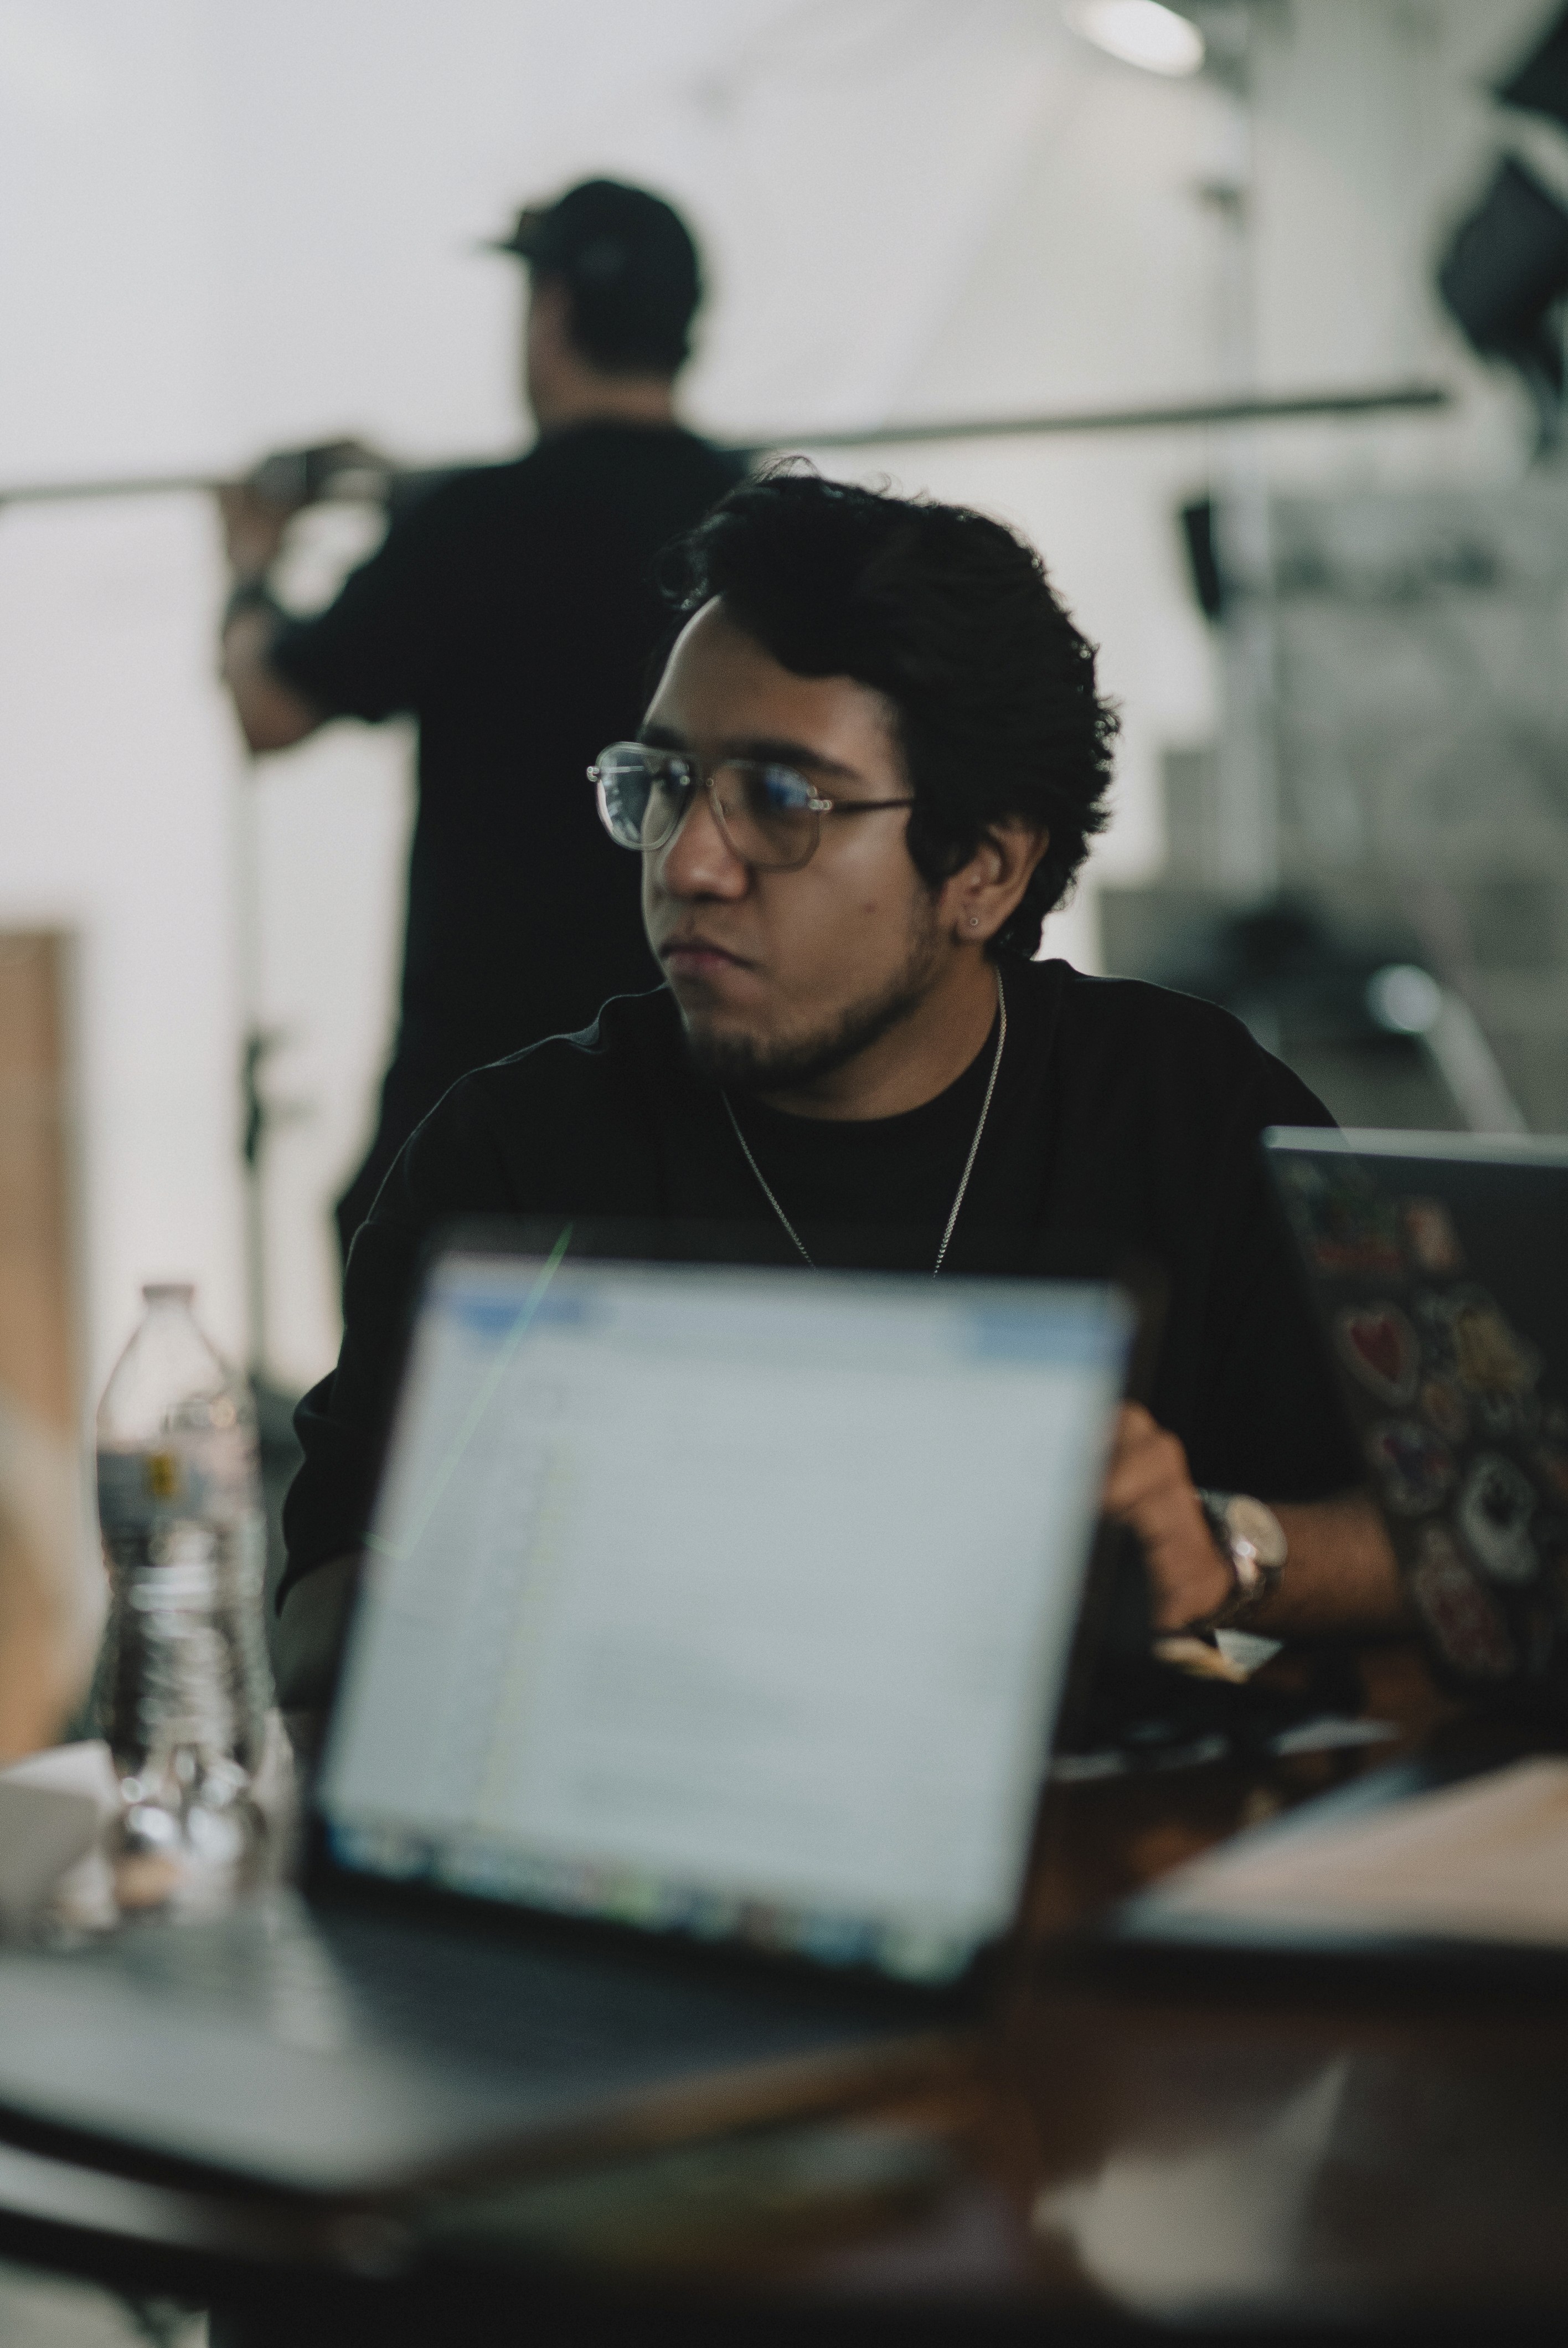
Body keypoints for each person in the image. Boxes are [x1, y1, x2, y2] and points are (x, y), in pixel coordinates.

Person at [272, 469, 1406, 1712]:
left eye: (780, 799)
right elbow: (316, 1618)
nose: (691, 862)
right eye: (663, 785)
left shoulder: (1190, 1112)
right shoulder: (514, 1158)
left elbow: (1452, 1531)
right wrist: (587, 1538)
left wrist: (1226, 1548)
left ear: (984, 868)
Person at [218, 179, 746, 1260]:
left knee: (420, 1378)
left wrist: (251, 562)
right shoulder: (757, 516)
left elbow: (269, 708)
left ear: (550, 316)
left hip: (486, 1072)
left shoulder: (476, 524)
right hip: (712, 1054)